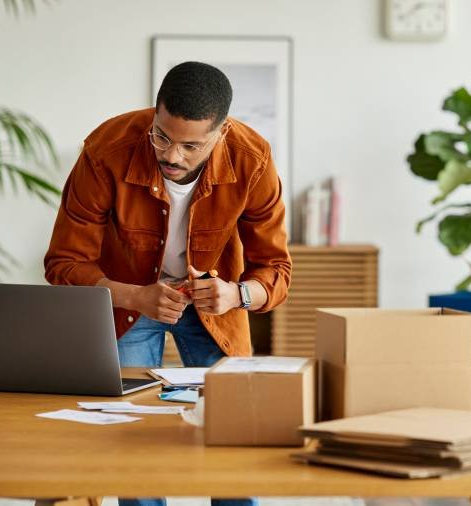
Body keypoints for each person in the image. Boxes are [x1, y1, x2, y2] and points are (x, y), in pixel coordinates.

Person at [45, 61, 291, 506]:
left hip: (216, 307)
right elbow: (63, 264)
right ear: (155, 113)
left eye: (191, 145)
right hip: (127, 306)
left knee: (235, 437)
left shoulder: (252, 158)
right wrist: (137, 295)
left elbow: (276, 271)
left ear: (222, 132)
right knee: (131, 432)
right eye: (162, 136)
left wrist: (236, 294)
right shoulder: (107, 149)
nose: (172, 155)